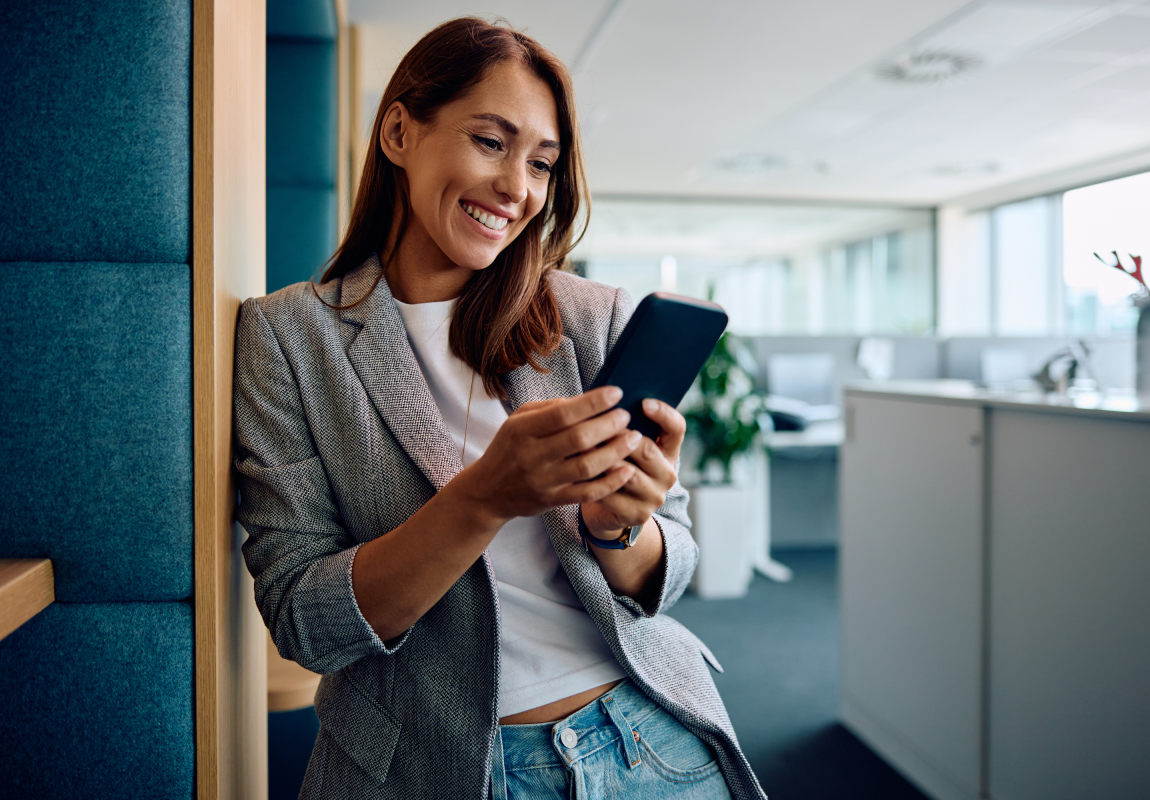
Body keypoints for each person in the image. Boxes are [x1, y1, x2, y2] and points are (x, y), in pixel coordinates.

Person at [234, 17, 763, 800]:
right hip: (431, 768)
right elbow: (306, 623)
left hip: (648, 742)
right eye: (491, 141)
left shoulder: (592, 318)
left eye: (542, 164)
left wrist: (620, 526)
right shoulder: (288, 337)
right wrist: (483, 498)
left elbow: (671, 565)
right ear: (399, 131)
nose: (519, 188)